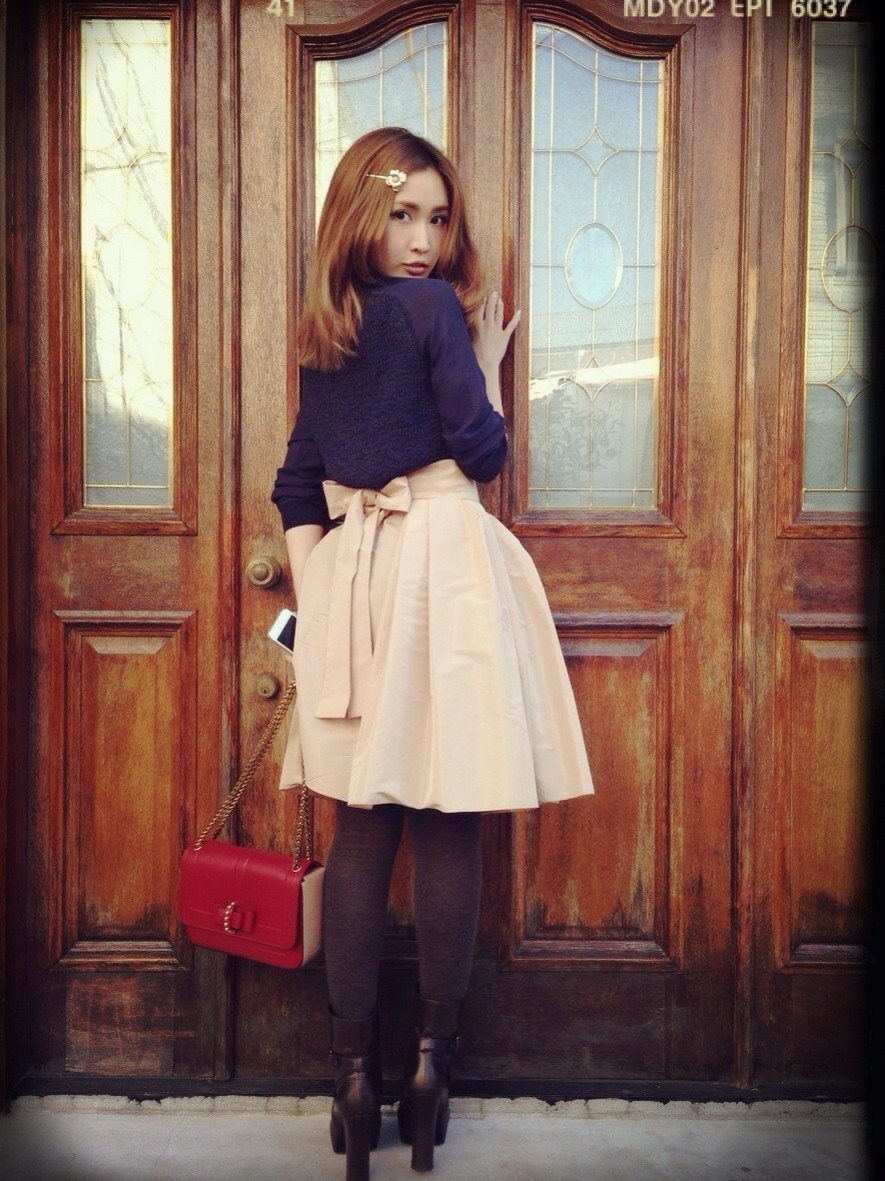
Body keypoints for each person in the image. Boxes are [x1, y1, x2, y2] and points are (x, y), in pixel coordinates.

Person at [271, 126, 593, 1180]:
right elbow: (483, 453)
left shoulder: (324, 335)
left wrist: (321, 594)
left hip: (354, 579)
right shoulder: (433, 313)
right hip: (445, 569)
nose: (423, 241)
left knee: (361, 830)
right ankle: (427, 1073)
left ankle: (350, 1081)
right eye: (402, 214)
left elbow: (296, 485)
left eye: (437, 218)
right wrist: (482, 366)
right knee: (450, 821)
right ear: (360, 217)